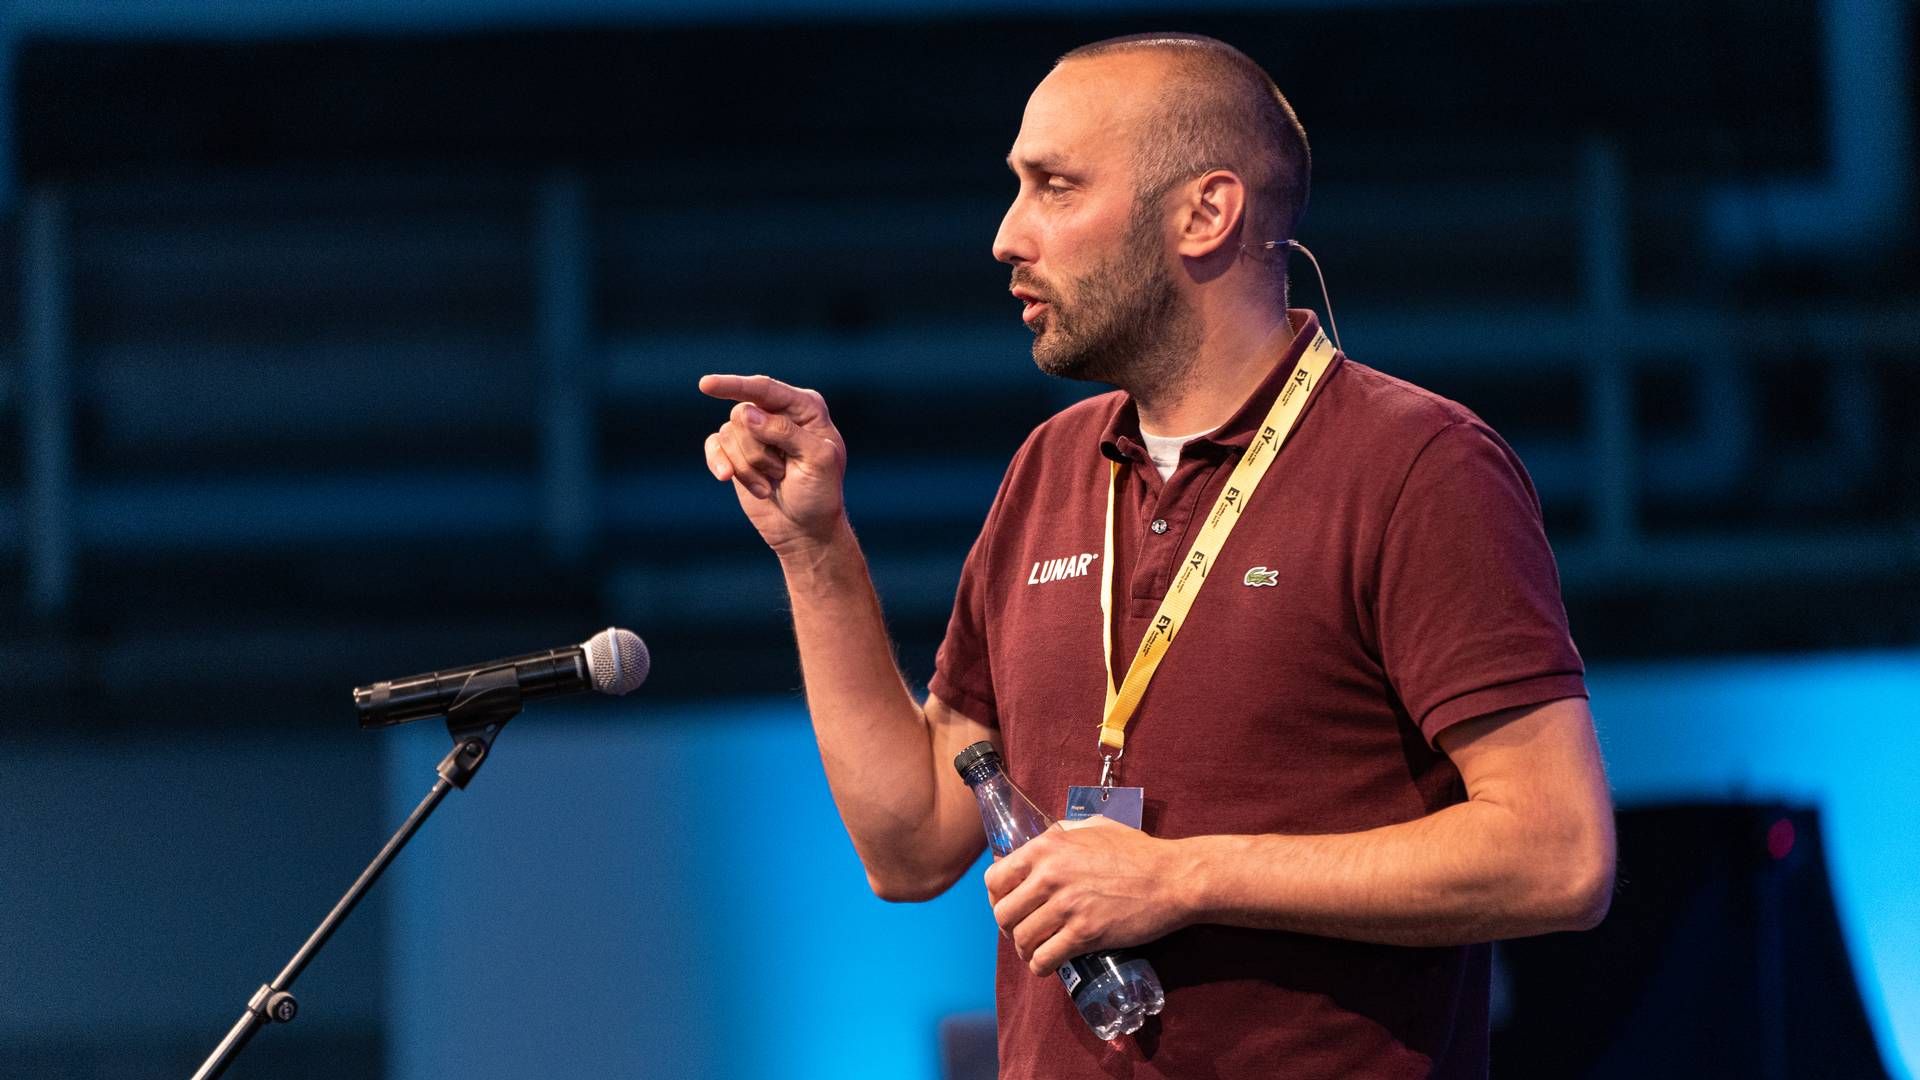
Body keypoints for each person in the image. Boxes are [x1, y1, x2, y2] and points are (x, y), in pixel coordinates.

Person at [699, 31, 1613, 1079]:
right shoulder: (1051, 467)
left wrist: (1182, 878)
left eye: (1053, 187)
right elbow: (911, 843)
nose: (1006, 235)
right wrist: (814, 548)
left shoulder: (1417, 466)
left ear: (1204, 213)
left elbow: (1558, 851)